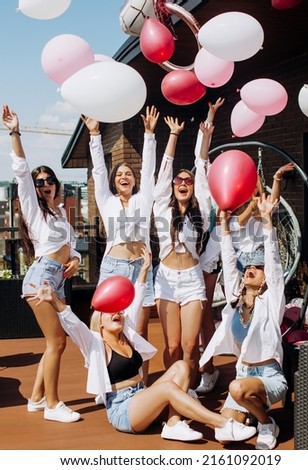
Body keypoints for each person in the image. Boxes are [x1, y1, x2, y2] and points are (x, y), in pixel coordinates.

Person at [23, 249, 248, 443]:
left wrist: (144, 270)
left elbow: (137, 299)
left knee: (181, 366)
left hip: (141, 397)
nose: (118, 314)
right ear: (99, 322)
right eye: (111, 312)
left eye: (119, 310)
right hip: (123, 411)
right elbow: (72, 324)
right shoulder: (94, 343)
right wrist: (55, 301)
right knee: (169, 389)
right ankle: (222, 423)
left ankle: (172, 423)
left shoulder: (126, 334)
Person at [2, 104, 81, 423]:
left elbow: (72, 248)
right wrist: (15, 132)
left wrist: (75, 259)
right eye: (40, 181)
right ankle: (52, 404)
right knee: (57, 342)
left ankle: (36, 398)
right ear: (34, 189)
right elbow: (21, 169)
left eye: (49, 179)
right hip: (41, 278)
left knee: (55, 344)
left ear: (56, 184)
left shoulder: (62, 213)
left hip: (57, 279)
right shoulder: (34, 212)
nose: (45, 183)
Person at [199, 193, 288, 450]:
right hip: (244, 375)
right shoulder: (234, 302)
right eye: (248, 266)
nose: (250, 268)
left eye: (257, 268)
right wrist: (225, 228)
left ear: (264, 278)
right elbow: (229, 261)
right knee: (223, 435)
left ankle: (266, 422)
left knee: (237, 388)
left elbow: (273, 260)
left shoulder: (272, 301)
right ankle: (249, 412)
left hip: (268, 378)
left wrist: (268, 221)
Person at [82, 106, 159, 383]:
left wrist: (150, 135)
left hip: (140, 267)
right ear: (114, 183)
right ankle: (106, 383)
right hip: (113, 267)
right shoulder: (107, 201)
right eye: (119, 175)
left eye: (128, 173)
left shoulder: (143, 199)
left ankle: (142, 382)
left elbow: (149, 168)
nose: (123, 176)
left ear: (135, 179)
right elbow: (99, 172)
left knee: (139, 328)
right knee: (103, 328)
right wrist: (94, 135)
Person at [152, 116, 212, 390]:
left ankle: (187, 392)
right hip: (165, 280)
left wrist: (207, 135)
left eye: (187, 180)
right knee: (173, 346)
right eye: (179, 179)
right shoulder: (162, 209)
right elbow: (164, 172)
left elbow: (202, 171)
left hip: (191, 280)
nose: (183, 182)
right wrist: (173, 135)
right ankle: (171, 391)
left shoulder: (202, 215)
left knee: (189, 347)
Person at [195, 98, 225, 394]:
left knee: (203, 312)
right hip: (190, 258)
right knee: (194, 313)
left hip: (210, 260)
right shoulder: (202, 191)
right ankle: (198, 366)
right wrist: (210, 118)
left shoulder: (226, 200)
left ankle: (208, 368)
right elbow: (201, 159)